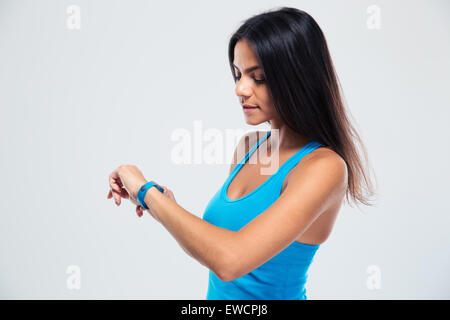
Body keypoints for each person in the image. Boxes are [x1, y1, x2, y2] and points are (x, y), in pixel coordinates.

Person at [107, 7, 377, 300]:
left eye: (258, 77)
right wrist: (160, 204)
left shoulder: (324, 167)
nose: (240, 88)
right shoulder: (249, 148)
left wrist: (147, 193)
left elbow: (230, 260)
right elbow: (215, 246)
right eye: (238, 74)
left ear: (298, 79)